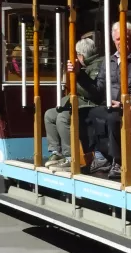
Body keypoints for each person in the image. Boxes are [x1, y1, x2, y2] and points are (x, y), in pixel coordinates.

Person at [69, 21, 131, 180]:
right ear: (113, 40)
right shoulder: (108, 62)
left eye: (127, 39)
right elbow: (98, 91)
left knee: (113, 117)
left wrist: (127, 102)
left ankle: (118, 161)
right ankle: (99, 157)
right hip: (111, 104)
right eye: (118, 39)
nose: (122, 42)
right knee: (84, 114)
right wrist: (79, 74)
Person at [44, 38, 103, 168]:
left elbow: (91, 93)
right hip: (80, 102)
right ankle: (55, 152)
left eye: (77, 55)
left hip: (90, 103)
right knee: (49, 114)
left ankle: (70, 156)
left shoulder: (98, 65)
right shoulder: (84, 66)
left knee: (63, 117)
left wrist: (78, 74)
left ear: (81, 55)